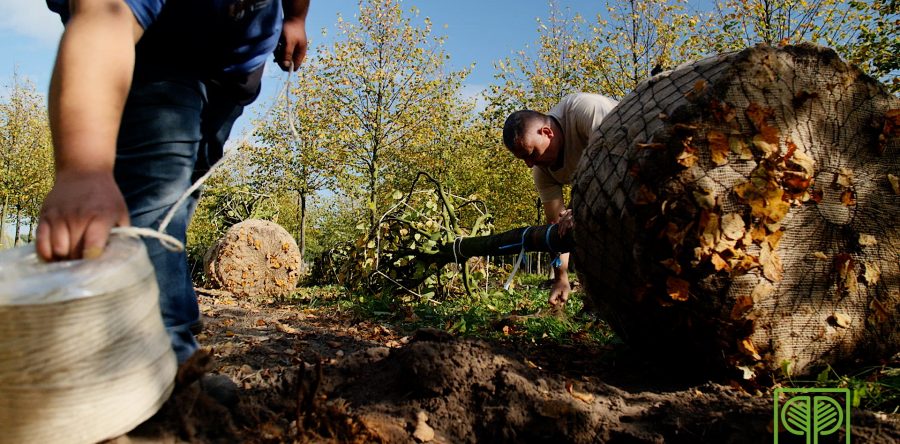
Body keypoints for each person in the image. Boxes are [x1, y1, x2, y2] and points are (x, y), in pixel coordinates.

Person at [38, 0, 310, 364]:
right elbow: (105, 18)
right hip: (160, 46)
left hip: (233, 74)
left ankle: (174, 299)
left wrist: (295, 17)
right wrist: (84, 169)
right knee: (158, 184)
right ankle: (161, 363)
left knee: (189, 182)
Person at [502, 92, 618, 307]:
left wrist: (579, 208)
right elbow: (556, 226)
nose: (529, 164)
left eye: (531, 154)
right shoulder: (542, 171)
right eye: (524, 159)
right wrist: (561, 278)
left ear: (546, 133)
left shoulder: (586, 109)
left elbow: (616, 159)